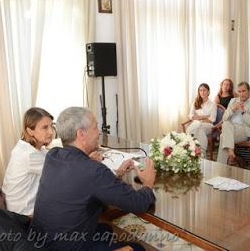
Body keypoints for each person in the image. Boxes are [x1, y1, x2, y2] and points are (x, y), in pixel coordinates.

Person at [31, 107, 156, 250]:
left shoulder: (53, 155)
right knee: (137, 248)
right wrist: (147, 183)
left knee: (105, 230)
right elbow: (138, 204)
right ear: (81, 134)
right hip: (68, 247)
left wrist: (93, 165)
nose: (99, 132)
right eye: (96, 127)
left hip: (41, 243)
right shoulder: (92, 171)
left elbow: (79, 179)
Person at [2, 107, 54, 216]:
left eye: (51, 126)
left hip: (19, 208)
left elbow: (53, 158)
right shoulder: (29, 154)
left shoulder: (29, 148)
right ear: (30, 131)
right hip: (24, 215)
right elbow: (62, 172)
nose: (51, 132)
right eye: (45, 127)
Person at [217, 82, 250, 164]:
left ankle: (221, 166)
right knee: (226, 126)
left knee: (223, 135)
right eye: (239, 91)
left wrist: (243, 112)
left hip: (245, 131)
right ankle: (231, 154)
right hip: (230, 129)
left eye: (244, 91)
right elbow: (224, 118)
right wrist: (232, 110)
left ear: (248, 91)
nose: (241, 94)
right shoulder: (233, 101)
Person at [187, 83, 217, 151]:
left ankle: (188, 144)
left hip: (208, 126)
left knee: (197, 125)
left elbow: (212, 119)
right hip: (197, 125)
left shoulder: (213, 104)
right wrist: (205, 116)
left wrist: (198, 118)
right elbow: (191, 116)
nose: (202, 92)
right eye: (200, 90)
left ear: (208, 92)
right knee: (199, 129)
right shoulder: (196, 102)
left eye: (204, 90)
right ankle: (201, 152)